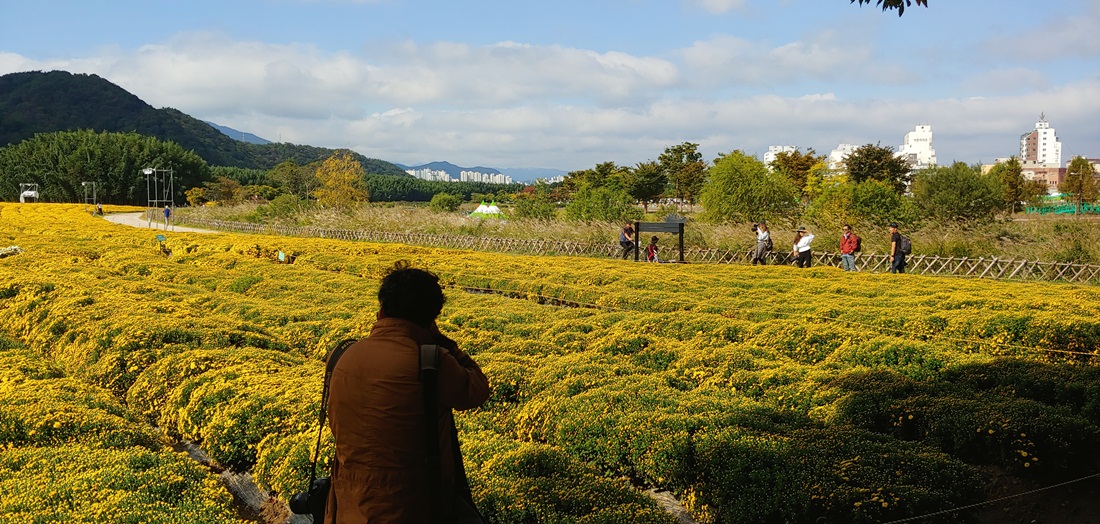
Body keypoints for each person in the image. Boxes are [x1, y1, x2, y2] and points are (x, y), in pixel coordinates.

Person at [325, 263, 490, 523]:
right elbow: (477, 389)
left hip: (348, 505)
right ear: (432, 317)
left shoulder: (344, 356)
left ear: (382, 310)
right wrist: (444, 344)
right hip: (413, 507)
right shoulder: (432, 362)